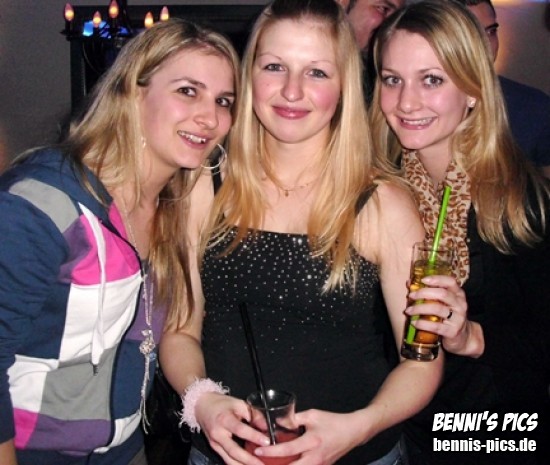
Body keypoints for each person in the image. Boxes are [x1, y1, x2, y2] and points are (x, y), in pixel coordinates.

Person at [160, 1, 443, 464]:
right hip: (225, 454)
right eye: (274, 67)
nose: (292, 91)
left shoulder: (383, 203)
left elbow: (422, 361)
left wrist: (359, 427)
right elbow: (179, 332)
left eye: (316, 72)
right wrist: (203, 401)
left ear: (344, 85)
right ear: (249, 75)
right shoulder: (204, 184)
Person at [0, 18, 239, 465]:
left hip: (126, 450)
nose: (210, 118)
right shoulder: (44, 204)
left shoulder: (174, 208)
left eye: (223, 101)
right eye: (188, 91)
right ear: (133, 91)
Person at [369, 1, 550, 464]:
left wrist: (472, 336)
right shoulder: (380, 191)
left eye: (432, 79)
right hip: (400, 431)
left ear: (472, 90)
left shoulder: (518, 199)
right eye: (392, 79)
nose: (406, 102)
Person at [455, 0, 550, 177]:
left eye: (490, 32)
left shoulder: (535, 109)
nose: (486, 46)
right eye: (470, 34)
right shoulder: (415, 108)